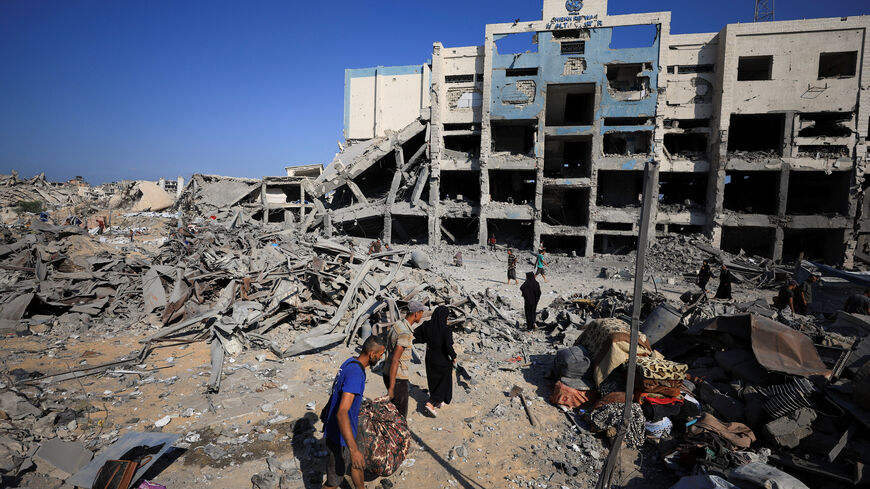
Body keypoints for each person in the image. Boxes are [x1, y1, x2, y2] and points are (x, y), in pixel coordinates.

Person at [322, 335, 385, 489]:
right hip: (339, 435)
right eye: (380, 354)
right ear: (372, 354)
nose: (381, 358)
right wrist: (353, 449)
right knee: (334, 480)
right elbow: (342, 412)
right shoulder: (356, 374)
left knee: (358, 464)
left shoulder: (350, 362)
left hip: (349, 428)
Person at [383, 301, 427, 418]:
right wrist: (392, 388)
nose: (422, 315)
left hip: (387, 372)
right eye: (421, 312)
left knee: (392, 410)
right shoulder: (404, 332)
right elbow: (396, 360)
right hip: (397, 378)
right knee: (400, 415)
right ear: (416, 313)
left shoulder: (398, 324)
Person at [413, 306, 457, 418]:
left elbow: (416, 335)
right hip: (441, 358)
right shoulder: (446, 329)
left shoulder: (427, 325)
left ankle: (438, 400)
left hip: (430, 357)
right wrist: (454, 357)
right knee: (444, 379)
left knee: (433, 378)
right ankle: (431, 402)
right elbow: (448, 346)